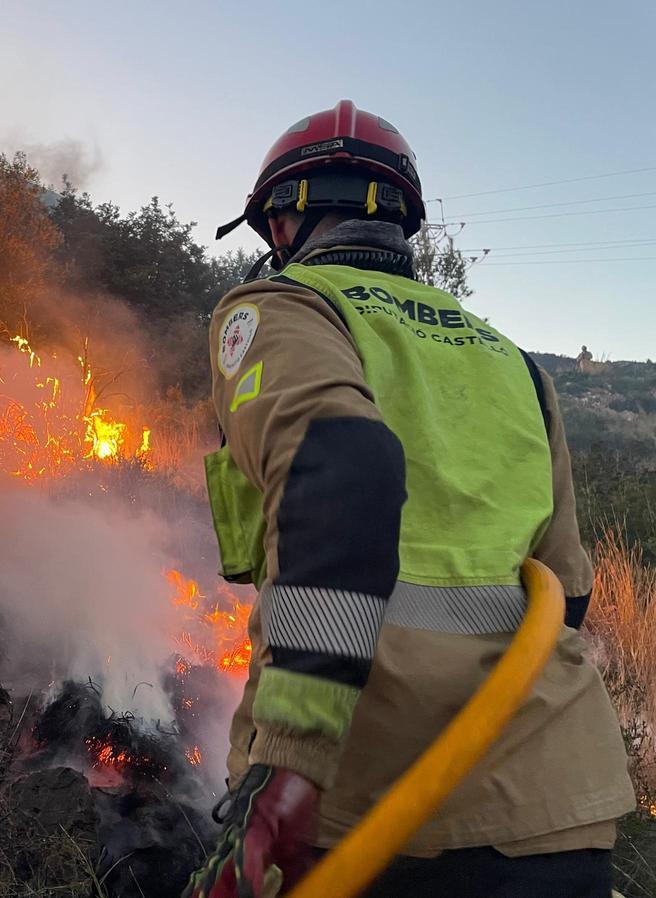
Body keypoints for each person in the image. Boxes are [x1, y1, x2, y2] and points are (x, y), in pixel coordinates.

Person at [187, 100, 634, 898]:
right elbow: (564, 589)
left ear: (285, 223)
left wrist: (290, 764)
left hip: (359, 809)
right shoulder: (515, 364)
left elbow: (346, 470)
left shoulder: (283, 309)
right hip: (551, 806)